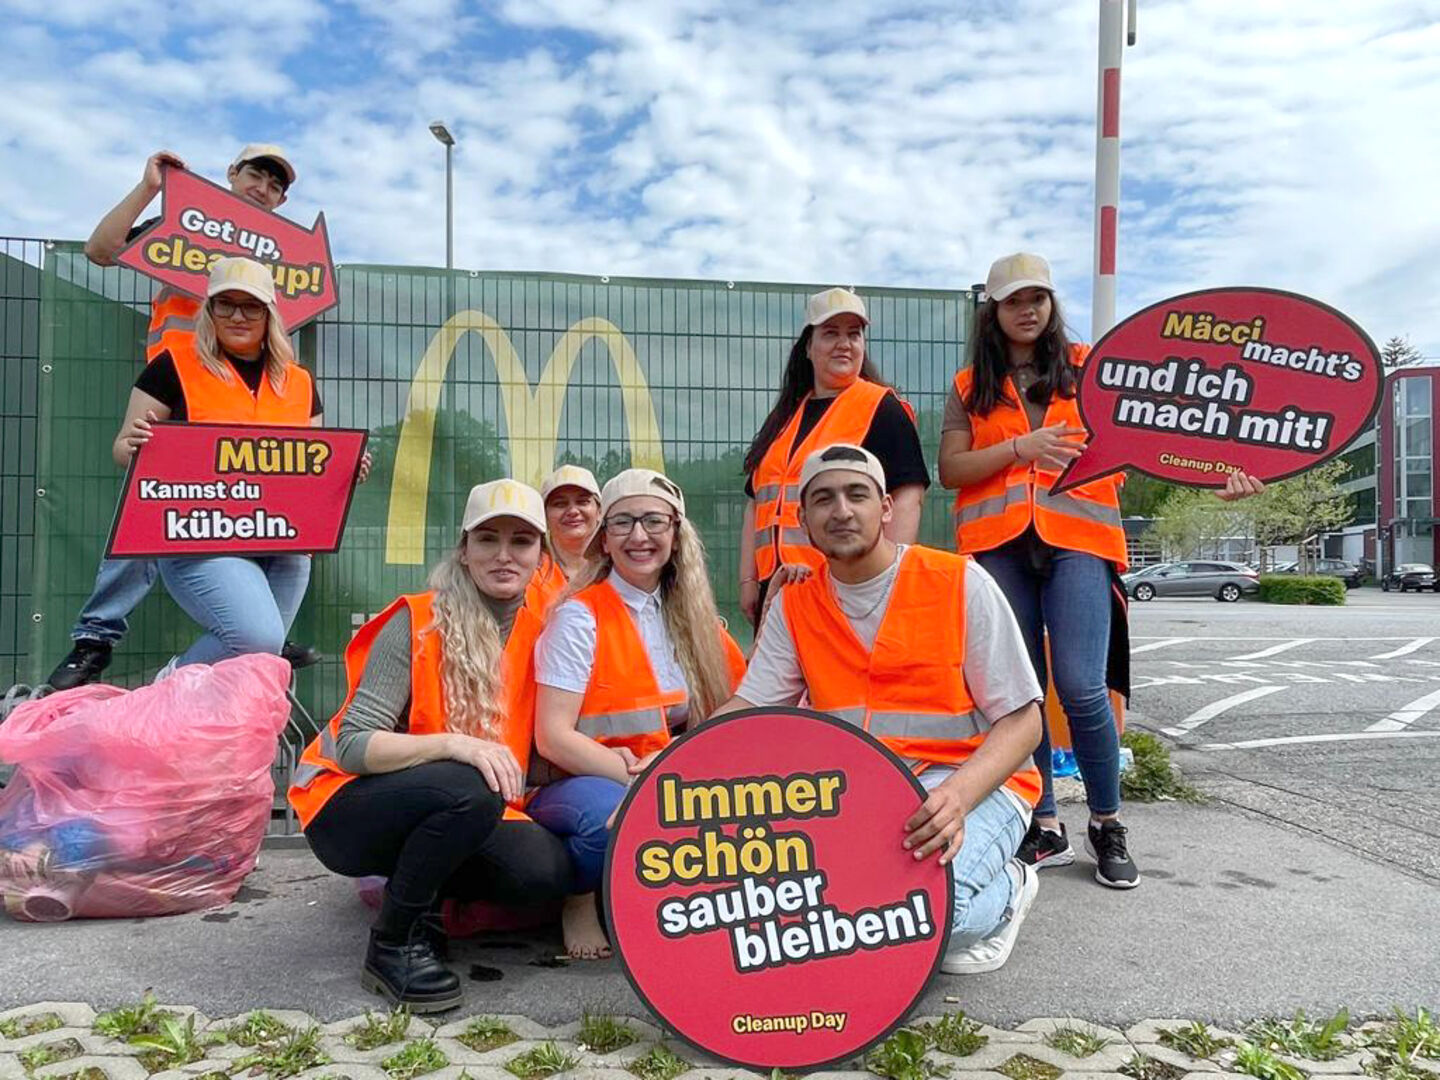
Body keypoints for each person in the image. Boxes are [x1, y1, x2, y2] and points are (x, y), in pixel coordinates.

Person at [717, 443, 1045, 974]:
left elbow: (1025, 721)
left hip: (973, 784)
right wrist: (666, 770)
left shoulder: (959, 582)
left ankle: (1011, 886)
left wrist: (957, 797)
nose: (841, 511)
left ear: (886, 508)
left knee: (933, 915)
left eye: (857, 495)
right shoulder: (796, 604)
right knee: (826, 915)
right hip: (861, 796)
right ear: (803, 519)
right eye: (822, 499)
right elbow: (749, 708)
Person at [288, 479, 573, 1012]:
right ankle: (393, 942)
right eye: (488, 539)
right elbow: (351, 743)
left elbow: (536, 748)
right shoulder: (418, 619)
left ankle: (430, 902)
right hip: (346, 807)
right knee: (468, 785)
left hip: (466, 803)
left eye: (522, 541)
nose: (504, 555)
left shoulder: (551, 626)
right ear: (464, 551)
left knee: (544, 873)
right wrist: (456, 745)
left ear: (542, 555)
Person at [49, 145, 304, 690]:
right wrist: (151, 189)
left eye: (276, 184)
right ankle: (96, 635)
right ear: (231, 175)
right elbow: (101, 249)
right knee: (148, 504)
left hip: (246, 406)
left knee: (279, 529)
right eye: (255, 174)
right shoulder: (185, 229)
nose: (263, 187)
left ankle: (261, 634)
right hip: (184, 390)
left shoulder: (282, 263)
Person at [936, 252, 1145, 888]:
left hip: (1078, 538)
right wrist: (1018, 448)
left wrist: (1216, 477)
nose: (1027, 310)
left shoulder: (1090, 372)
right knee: (1018, 693)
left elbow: (1149, 441)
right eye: (1012, 300)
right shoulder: (970, 385)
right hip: (1000, 546)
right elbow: (952, 470)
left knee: (1081, 685)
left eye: (1038, 298)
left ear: (1052, 306)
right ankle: (1043, 821)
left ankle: (1107, 823)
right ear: (992, 312)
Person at [112, 256, 365, 673]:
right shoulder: (172, 366)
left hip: (285, 546)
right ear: (209, 311)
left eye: (250, 306)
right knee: (259, 640)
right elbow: (124, 448)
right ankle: (169, 687)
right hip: (200, 539)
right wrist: (136, 446)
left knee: (261, 667)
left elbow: (313, 466)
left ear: (269, 315)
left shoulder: (299, 382)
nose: (237, 315)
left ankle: (227, 736)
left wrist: (346, 468)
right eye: (224, 304)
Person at [531, 468, 747, 959]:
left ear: (676, 533)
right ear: (603, 541)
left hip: (661, 772)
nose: (639, 536)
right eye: (623, 523)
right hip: (578, 778)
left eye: (654, 521)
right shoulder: (578, 616)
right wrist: (653, 782)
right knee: (611, 820)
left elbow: (738, 707)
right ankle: (580, 896)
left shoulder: (692, 617)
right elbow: (552, 737)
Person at [740, 287, 930, 628]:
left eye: (853, 334)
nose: (845, 343)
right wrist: (748, 581)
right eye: (831, 333)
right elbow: (757, 502)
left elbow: (908, 496)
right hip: (779, 583)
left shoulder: (881, 407)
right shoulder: (785, 417)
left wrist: (887, 582)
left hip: (845, 583)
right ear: (808, 348)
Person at [527, 464, 602, 610]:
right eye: (560, 504)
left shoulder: (617, 570)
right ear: (545, 516)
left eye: (582, 502)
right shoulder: (528, 572)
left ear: (599, 511)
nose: (573, 511)